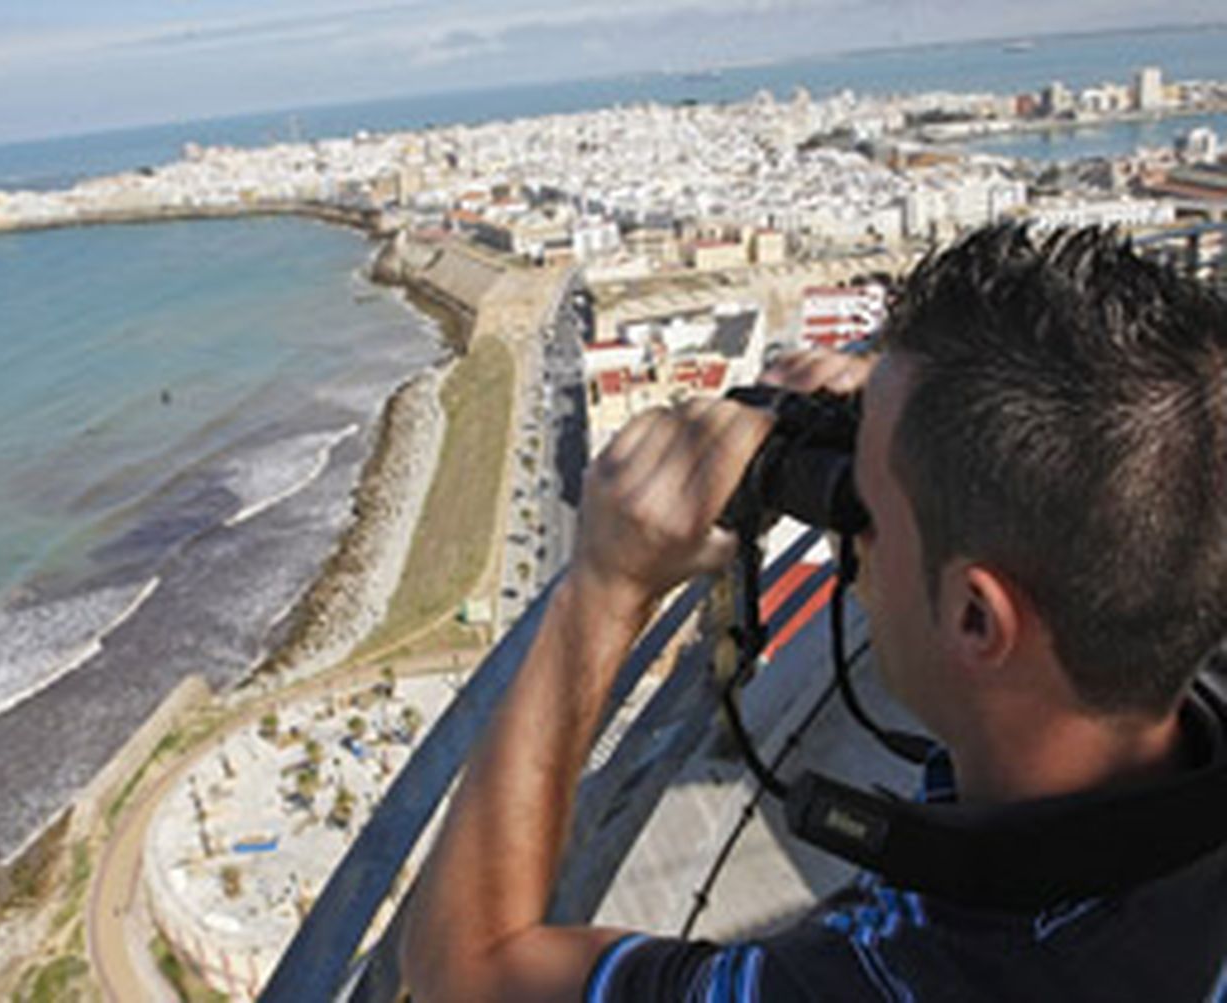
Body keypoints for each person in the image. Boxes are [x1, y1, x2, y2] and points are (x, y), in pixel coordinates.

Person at [400, 224, 1227, 1001]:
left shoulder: (892, 979)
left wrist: (603, 585)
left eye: (862, 505)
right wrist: (920, 437)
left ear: (978, 619)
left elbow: (466, 970)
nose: (848, 536)